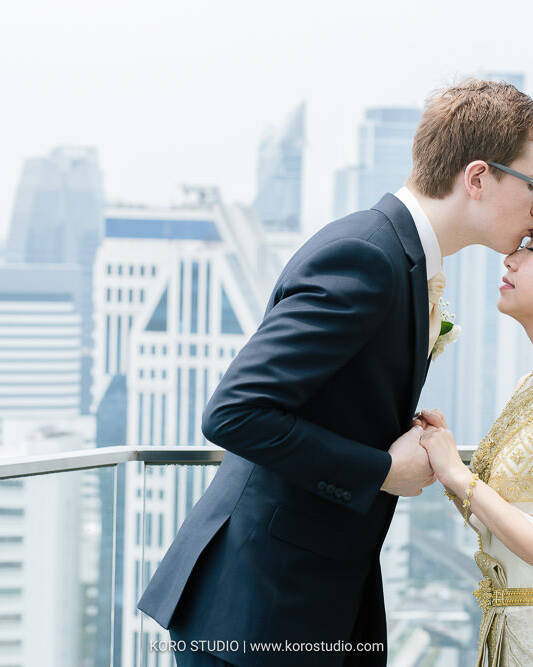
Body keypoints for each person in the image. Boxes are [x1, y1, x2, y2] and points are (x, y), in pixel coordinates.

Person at [137, 80, 533, 666]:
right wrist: (382, 469)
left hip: (324, 595)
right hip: (260, 609)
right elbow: (234, 412)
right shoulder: (368, 255)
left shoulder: (403, 259)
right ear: (478, 178)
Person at [418, 231, 533, 666]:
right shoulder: (527, 384)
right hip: (506, 631)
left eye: (531, 248)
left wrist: (458, 474)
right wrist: (443, 458)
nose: (510, 259)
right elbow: (500, 522)